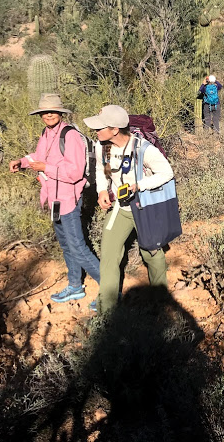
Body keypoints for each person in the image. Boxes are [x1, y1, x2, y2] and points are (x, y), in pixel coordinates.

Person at [8, 94, 100, 303]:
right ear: (40, 115)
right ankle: (75, 285)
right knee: (67, 245)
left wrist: (46, 168)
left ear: (60, 112)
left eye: (53, 110)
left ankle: (111, 290)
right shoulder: (47, 133)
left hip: (68, 198)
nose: (49, 114)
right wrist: (21, 162)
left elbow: (75, 171)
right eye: (44, 111)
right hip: (53, 199)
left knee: (78, 247)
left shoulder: (70, 136)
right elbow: (40, 156)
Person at [85, 104, 175, 315]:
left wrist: (139, 185)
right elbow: (99, 169)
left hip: (144, 208)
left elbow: (166, 172)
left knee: (152, 253)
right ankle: (107, 309)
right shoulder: (101, 146)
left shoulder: (143, 148)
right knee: (108, 255)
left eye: (100, 128)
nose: (95, 132)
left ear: (115, 129)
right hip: (121, 208)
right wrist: (101, 191)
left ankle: (160, 303)